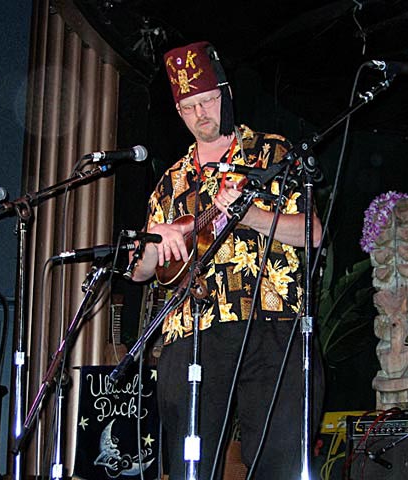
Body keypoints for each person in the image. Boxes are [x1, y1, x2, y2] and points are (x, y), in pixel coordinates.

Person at [131, 40, 324, 479]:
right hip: (193, 328)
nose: (201, 115)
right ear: (178, 113)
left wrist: (251, 215)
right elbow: (142, 272)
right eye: (189, 107)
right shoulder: (171, 182)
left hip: (272, 323)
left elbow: (312, 233)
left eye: (208, 101)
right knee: (190, 466)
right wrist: (154, 239)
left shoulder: (273, 154)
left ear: (227, 94)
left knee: (281, 463)